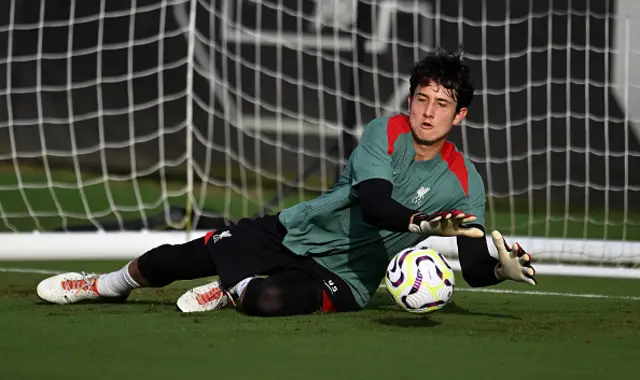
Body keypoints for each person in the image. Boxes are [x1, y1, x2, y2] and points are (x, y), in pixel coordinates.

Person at [36, 47, 536, 316]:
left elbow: (471, 262)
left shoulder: (466, 181)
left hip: (351, 277)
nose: (428, 112)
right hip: (300, 232)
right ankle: (105, 285)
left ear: (460, 114)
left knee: (267, 301)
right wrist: (425, 223)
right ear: (410, 100)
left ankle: (234, 290)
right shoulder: (385, 132)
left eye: (442, 103)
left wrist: (498, 269)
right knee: (173, 260)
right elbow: (376, 206)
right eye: (422, 99)